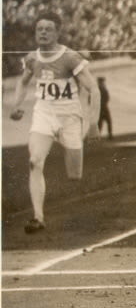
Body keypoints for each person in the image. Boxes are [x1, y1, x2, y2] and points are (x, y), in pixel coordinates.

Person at [8, 12, 100, 234]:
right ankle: (38, 217)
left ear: (58, 32)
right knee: (34, 161)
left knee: (75, 175)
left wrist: (93, 122)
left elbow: (93, 88)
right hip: (44, 114)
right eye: (39, 29)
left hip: (69, 117)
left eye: (48, 29)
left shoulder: (70, 58)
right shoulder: (32, 59)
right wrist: (17, 105)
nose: (43, 33)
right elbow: (22, 83)